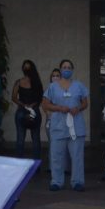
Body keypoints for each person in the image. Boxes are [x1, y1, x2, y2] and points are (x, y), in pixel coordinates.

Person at [41, 58, 89, 191]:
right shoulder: (53, 86)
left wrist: (78, 108)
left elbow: (85, 103)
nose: (67, 69)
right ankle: (56, 181)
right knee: (56, 155)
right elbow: (45, 104)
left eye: (69, 67)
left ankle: (77, 181)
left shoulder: (79, 85)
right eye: (64, 67)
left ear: (72, 70)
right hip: (58, 125)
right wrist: (58, 108)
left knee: (77, 156)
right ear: (60, 69)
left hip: (75, 125)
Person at [11, 59, 44, 160]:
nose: (26, 69)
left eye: (27, 67)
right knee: (36, 140)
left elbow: (14, 97)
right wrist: (31, 105)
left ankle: (19, 165)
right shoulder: (37, 82)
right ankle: (36, 167)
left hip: (22, 111)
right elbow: (40, 98)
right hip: (34, 110)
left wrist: (23, 104)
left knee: (20, 139)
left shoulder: (19, 82)